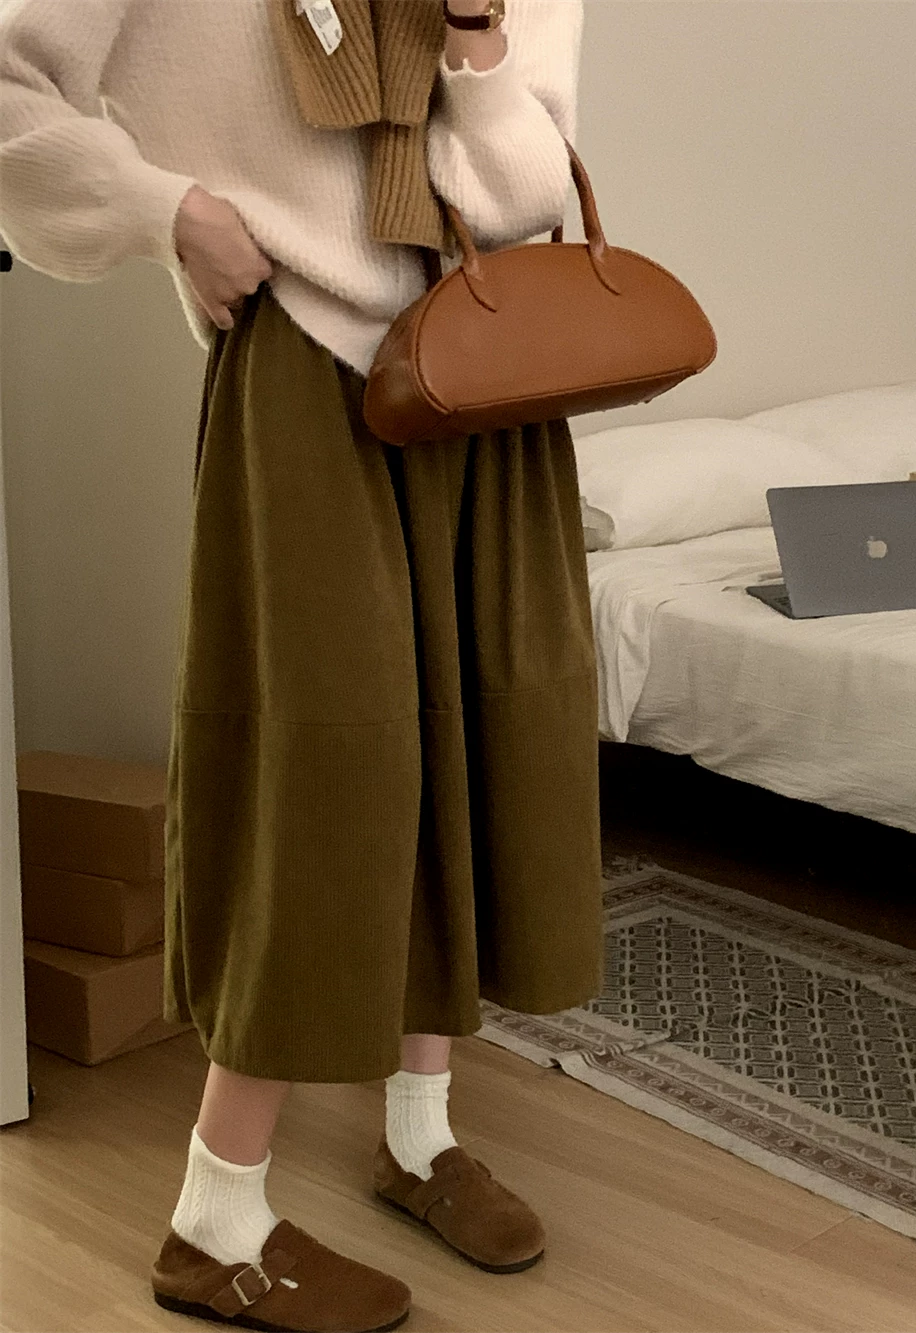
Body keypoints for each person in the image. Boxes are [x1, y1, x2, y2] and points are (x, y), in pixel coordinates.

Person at [0, 1, 604, 1328]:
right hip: (302, 363)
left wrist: (474, 37)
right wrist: (166, 212)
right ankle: (213, 1216)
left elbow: (521, 196)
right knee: (328, 773)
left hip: (485, 364)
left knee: (470, 745)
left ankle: (420, 1136)